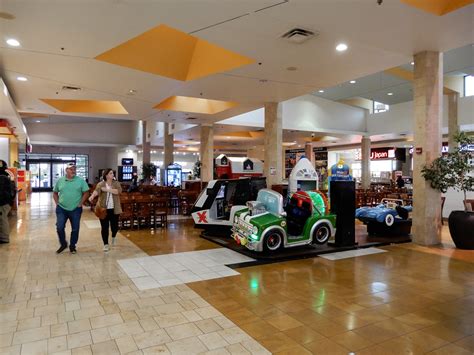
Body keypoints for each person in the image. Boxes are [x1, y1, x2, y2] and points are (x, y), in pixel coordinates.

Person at [53, 163, 89, 254]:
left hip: (76, 209)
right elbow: (55, 193)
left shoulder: (80, 181)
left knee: (75, 229)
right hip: (62, 208)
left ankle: (72, 246)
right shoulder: (60, 181)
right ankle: (63, 244)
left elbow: (86, 192)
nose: (73, 171)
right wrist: (57, 203)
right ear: (66, 170)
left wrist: (81, 203)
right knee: (59, 227)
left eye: (74, 169)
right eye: (71, 169)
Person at [89, 169, 122, 252]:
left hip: (114, 209)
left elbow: (118, 191)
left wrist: (107, 190)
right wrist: (92, 196)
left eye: (113, 173)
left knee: (114, 227)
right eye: (111, 173)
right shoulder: (101, 184)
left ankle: (113, 236)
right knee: (104, 227)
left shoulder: (116, 183)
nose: (112, 174)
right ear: (106, 175)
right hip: (103, 209)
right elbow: (97, 191)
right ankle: (106, 244)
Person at [0, 161, 16, 244]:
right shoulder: (8, 176)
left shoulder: (2, 177)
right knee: (3, 219)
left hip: (3, 202)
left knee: (2, 219)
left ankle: (4, 238)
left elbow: (1, 192)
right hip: (7, 202)